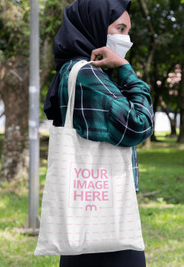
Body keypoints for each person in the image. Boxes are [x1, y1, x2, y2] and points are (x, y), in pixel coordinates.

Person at [43, 0, 153, 266]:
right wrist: (125, 68)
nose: (126, 38)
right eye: (120, 28)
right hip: (103, 217)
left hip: (86, 212)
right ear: (94, 26)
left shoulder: (74, 71)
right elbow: (139, 124)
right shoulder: (87, 75)